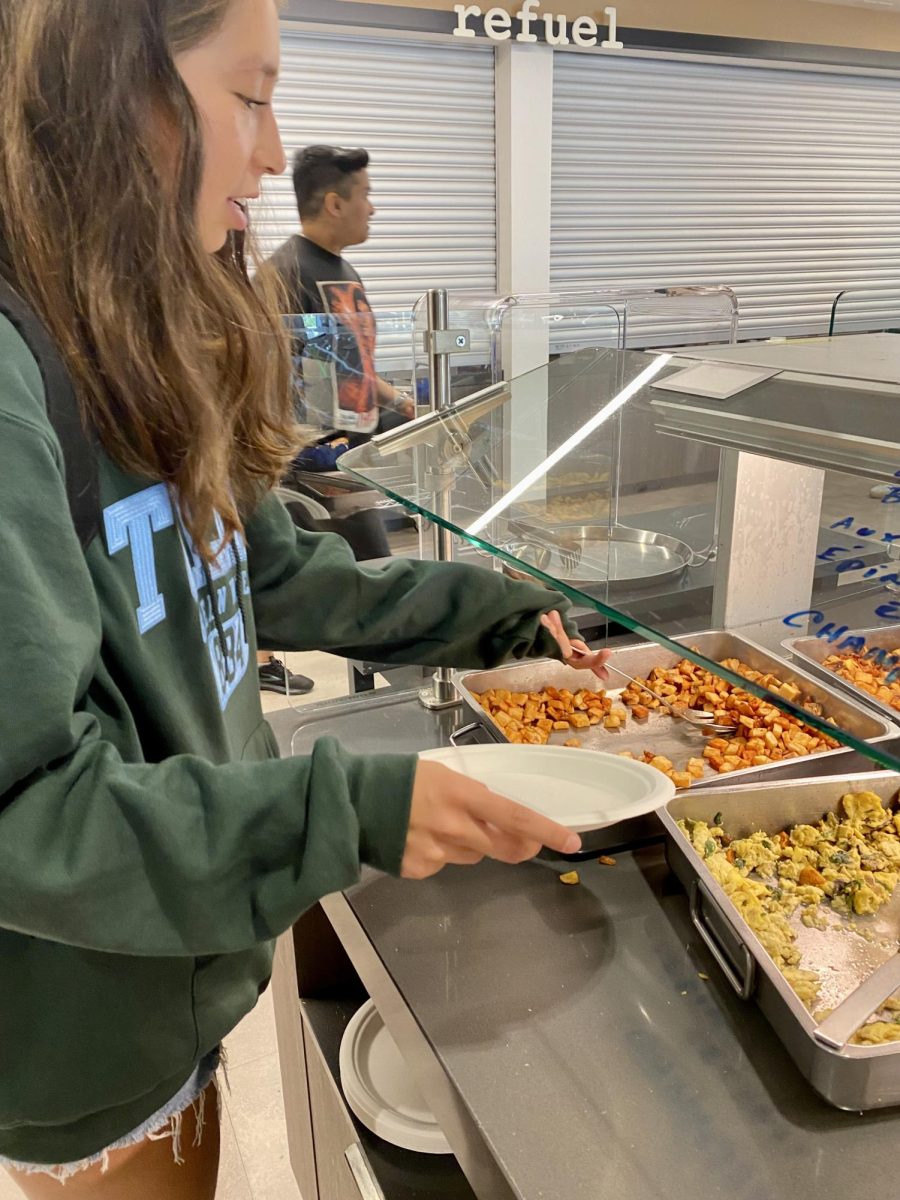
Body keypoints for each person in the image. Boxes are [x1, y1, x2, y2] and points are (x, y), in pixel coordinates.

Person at [0, 2, 609, 1198]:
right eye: (249, 97)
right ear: (112, 85)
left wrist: (488, 608)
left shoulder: (145, 323)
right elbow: (26, 811)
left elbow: (267, 571)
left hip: (191, 933)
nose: (276, 156)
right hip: (93, 1011)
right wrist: (353, 812)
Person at [262, 144, 415, 439]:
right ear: (335, 205)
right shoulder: (282, 275)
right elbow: (268, 388)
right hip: (314, 463)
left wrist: (403, 404)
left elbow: (352, 368)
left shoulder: (345, 273)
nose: (372, 208)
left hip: (353, 450)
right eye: (365, 195)